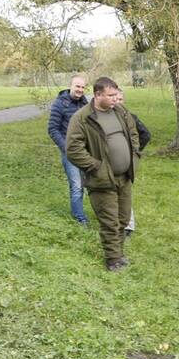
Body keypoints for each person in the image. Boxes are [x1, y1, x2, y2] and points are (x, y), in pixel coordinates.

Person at [65, 76, 141, 271]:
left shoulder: (120, 111)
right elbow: (73, 149)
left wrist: (134, 155)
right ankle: (113, 260)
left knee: (123, 219)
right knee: (110, 221)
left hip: (124, 176)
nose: (116, 99)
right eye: (111, 95)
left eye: (117, 95)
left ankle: (119, 253)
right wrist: (95, 166)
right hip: (101, 180)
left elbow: (133, 133)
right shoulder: (82, 118)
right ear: (98, 95)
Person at [47, 75, 90, 224]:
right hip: (70, 153)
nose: (80, 90)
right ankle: (80, 218)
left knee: (88, 183)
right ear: (70, 86)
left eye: (83, 87)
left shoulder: (85, 104)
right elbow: (52, 129)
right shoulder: (60, 104)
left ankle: (86, 211)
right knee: (76, 185)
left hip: (85, 151)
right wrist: (66, 148)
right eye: (77, 86)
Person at [117, 92, 151, 236]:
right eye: (114, 98)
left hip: (126, 162)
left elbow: (145, 135)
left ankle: (128, 226)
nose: (117, 101)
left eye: (119, 98)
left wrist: (135, 153)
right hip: (111, 162)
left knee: (125, 192)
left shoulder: (130, 117)